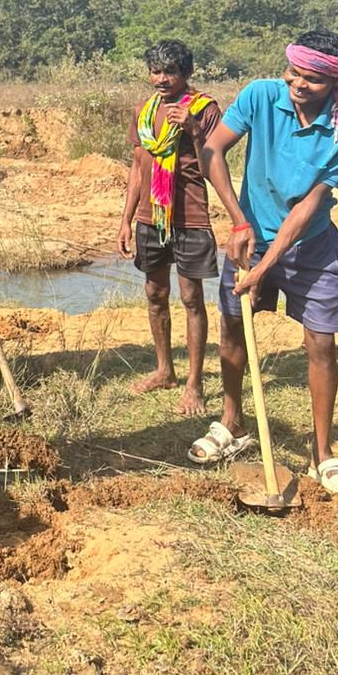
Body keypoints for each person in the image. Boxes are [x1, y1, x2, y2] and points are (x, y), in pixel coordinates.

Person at [190, 30, 338, 497]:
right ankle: (232, 423)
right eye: (294, 72)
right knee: (231, 328)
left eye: (311, 78)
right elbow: (212, 152)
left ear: (333, 82)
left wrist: (267, 264)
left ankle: (322, 453)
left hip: (309, 246)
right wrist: (238, 221)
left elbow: (311, 204)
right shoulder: (260, 95)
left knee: (321, 343)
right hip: (248, 236)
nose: (298, 84)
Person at [117, 41, 222, 416]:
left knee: (192, 298)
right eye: (156, 71)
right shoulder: (144, 113)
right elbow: (137, 167)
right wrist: (126, 220)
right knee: (154, 292)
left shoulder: (204, 108)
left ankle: (194, 384)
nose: (161, 79)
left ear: (186, 74)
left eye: (170, 72)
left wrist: (193, 128)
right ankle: (165, 370)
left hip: (189, 215)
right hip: (150, 216)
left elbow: (215, 158)